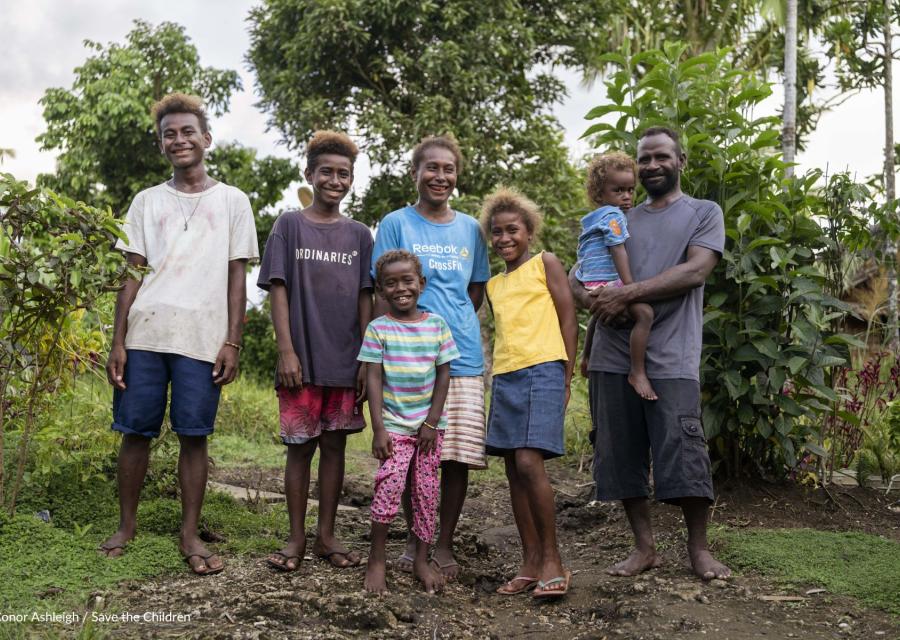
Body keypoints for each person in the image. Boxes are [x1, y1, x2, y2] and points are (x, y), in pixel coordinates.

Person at [100, 93, 258, 575]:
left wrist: (232, 340)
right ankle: (127, 525)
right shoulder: (146, 202)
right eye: (169, 134)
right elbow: (131, 273)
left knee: (195, 436)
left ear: (205, 139)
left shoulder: (233, 201)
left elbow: (238, 277)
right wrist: (117, 339)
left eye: (187, 131)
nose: (179, 139)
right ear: (161, 145)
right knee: (135, 433)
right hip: (146, 334)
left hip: (202, 340)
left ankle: (189, 532)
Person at [570, 126, 731, 581]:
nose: (652, 166)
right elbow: (577, 276)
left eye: (662, 157)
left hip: (672, 356)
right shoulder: (618, 213)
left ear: (681, 160)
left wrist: (629, 295)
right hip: (610, 355)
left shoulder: (703, 212)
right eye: (644, 159)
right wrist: (596, 301)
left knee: (684, 451)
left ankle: (698, 549)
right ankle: (644, 547)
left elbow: (696, 269)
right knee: (619, 455)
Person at [370, 135, 490, 579]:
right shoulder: (396, 223)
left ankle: (442, 543)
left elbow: (474, 290)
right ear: (416, 173)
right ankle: (411, 539)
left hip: (461, 358)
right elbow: (382, 289)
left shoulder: (472, 229)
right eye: (432, 168)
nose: (441, 176)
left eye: (449, 169)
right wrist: (392, 347)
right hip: (406, 359)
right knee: (408, 450)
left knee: (453, 454)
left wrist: (448, 326)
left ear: (456, 175)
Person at [256, 131, 374, 572]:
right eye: (327, 171)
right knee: (299, 449)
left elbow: (367, 297)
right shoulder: (290, 225)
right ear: (309, 174)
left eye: (344, 174)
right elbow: (278, 290)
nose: (335, 180)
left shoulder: (361, 235)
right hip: (300, 363)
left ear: (351, 180)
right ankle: (295, 538)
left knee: (335, 449)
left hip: (346, 361)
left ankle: (326, 535)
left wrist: (367, 358)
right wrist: (286, 351)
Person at [480, 188, 577, 599]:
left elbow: (568, 316)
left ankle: (554, 559)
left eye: (512, 230)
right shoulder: (492, 284)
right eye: (497, 233)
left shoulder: (545, 263)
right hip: (505, 375)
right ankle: (531, 561)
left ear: (529, 231)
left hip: (544, 369)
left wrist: (567, 375)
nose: (504, 238)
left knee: (528, 460)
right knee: (512, 469)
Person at [358, 250, 460, 594]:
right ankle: (377, 559)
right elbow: (373, 379)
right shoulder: (378, 329)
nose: (401, 288)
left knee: (425, 492)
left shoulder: (437, 325)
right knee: (388, 485)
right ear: (381, 290)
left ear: (422, 284)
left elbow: (444, 373)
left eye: (407, 281)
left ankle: (421, 558)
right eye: (391, 283)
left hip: (429, 429)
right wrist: (379, 428)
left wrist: (432, 422)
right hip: (394, 427)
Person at [576, 152, 656, 401]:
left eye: (631, 190)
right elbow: (618, 249)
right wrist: (629, 288)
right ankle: (638, 370)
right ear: (600, 194)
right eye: (618, 190)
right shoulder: (614, 217)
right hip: (609, 281)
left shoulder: (593, 218)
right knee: (645, 314)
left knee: (598, 315)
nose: (627, 197)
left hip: (591, 281)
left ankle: (586, 355)